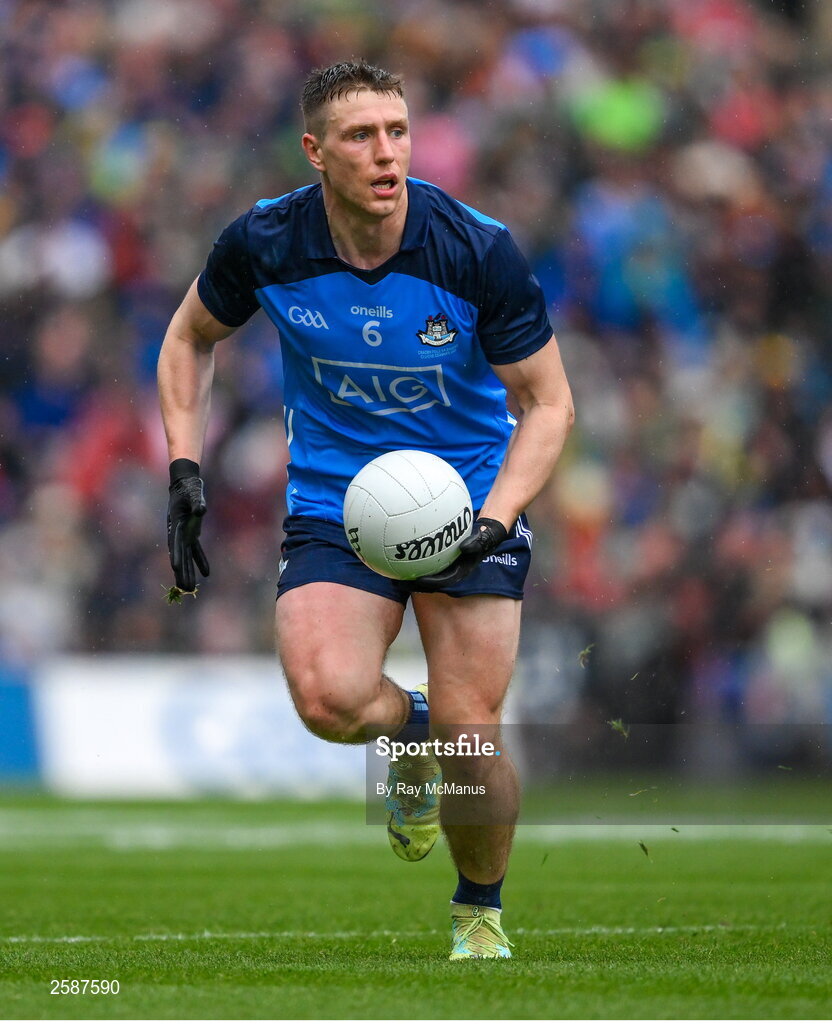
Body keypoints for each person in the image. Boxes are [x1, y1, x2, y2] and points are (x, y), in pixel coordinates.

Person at [158, 60, 574, 960]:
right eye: (360, 136)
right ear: (315, 151)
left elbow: (550, 405)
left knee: (475, 733)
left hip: (468, 499)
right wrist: (184, 465)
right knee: (328, 700)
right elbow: (190, 335)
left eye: (397, 131)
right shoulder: (265, 242)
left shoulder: (475, 248)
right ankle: (412, 733)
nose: (385, 152)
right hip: (337, 503)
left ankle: (478, 915)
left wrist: (497, 519)